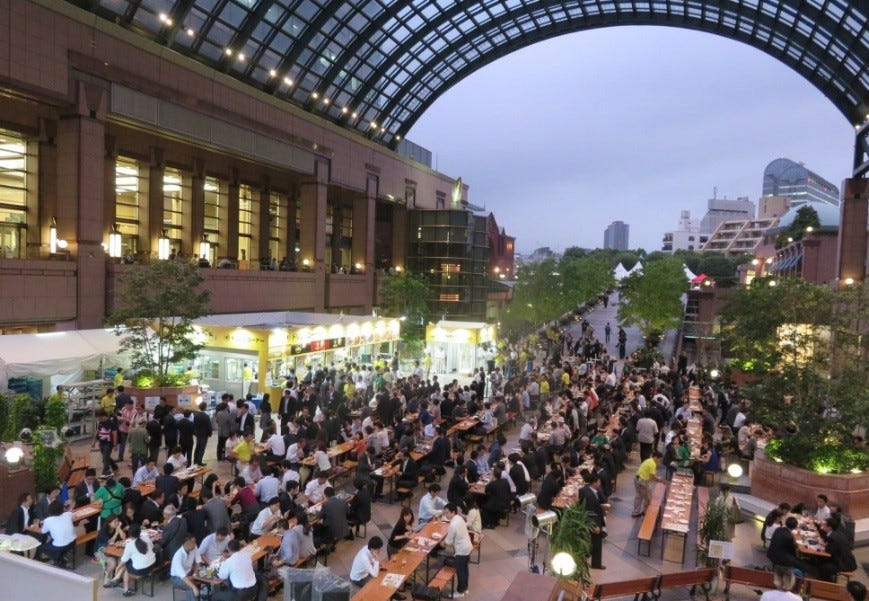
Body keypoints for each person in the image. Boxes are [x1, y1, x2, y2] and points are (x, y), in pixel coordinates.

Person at [112, 523, 157, 597]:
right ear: (140, 532)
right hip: (151, 566)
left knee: (126, 564)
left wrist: (117, 568)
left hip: (141, 570)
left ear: (129, 534)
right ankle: (119, 582)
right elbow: (152, 547)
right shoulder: (146, 538)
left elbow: (123, 560)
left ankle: (121, 583)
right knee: (129, 562)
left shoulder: (129, 545)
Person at [442, 503, 472, 598]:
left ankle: (459, 592)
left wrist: (441, 542)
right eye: (445, 513)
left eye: (447, 513)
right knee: (465, 569)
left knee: (460, 571)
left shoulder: (453, 525)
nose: (446, 515)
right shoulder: (459, 518)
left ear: (453, 512)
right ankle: (465, 588)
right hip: (467, 547)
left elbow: (448, 542)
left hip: (461, 550)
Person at [579, 473, 607, 570]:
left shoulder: (584, 490)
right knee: (597, 543)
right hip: (594, 521)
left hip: (587, 520)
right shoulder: (590, 496)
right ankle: (596, 564)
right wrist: (595, 525)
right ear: (594, 483)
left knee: (588, 541)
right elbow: (591, 511)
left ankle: (584, 560)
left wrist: (600, 506)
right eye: (598, 482)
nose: (600, 484)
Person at [818, 516, 857, 582]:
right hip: (847, 560)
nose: (823, 526)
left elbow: (828, 551)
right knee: (822, 560)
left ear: (829, 527)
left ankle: (827, 583)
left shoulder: (832, 536)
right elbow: (831, 546)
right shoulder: (836, 533)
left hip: (844, 564)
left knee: (824, 567)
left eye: (824, 525)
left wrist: (825, 546)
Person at [37, 500, 76, 566]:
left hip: (60, 546)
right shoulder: (68, 514)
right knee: (54, 539)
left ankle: (58, 559)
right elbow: (73, 516)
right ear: (62, 508)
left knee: (41, 547)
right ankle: (62, 557)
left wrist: (39, 526)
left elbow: (42, 531)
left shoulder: (47, 520)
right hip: (73, 542)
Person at [96, 514, 125, 587]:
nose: (117, 523)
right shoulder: (103, 531)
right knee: (113, 563)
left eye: (117, 521)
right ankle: (107, 578)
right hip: (99, 552)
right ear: (109, 523)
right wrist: (117, 532)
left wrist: (119, 529)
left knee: (122, 560)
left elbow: (124, 537)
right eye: (115, 522)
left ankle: (116, 578)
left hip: (111, 551)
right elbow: (110, 542)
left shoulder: (116, 528)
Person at [170, 534, 202, 601]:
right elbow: (183, 576)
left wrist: (195, 573)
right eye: (193, 542)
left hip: (188, 574)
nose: (195, 544)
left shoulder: (194, 547)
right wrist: (194, 587)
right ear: (187, 543)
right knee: (191, 587)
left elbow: (198, 561)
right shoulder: (178, 556)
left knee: (200, 578)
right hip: (177, 578)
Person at [632, 451, 663, 517]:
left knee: (639, 496)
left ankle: (635, 512)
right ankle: (645, 512)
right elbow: (652, 476)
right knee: (648, 497)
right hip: (642, 481)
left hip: (637, 479)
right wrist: (658, 479)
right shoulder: (653, 464)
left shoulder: (648, 460)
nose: (659, 461)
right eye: (659, 459)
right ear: (656, 457)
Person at [93, 410, 119, 475]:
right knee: (106, 457)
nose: (99, 419)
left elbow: (115, 435)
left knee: (105, 458)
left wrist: (115, 445)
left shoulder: (112, 423)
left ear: (104, 416)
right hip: (101, 443)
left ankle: (106, 472)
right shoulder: (100, 422)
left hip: (108, 443)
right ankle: (114, 466)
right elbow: (97, 431)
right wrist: (94, 442)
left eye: (100, 418)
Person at [193, 402, 213, 466]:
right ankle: (199, 461)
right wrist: (210, 433)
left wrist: (195, 432)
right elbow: (209, 426)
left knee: (197, 447)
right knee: (202, 448)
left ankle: (195, 460)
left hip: (198, 433)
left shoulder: (196, 415)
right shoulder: (206, 416)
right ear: (205, 407)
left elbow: (194, 425)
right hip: (204, 434)